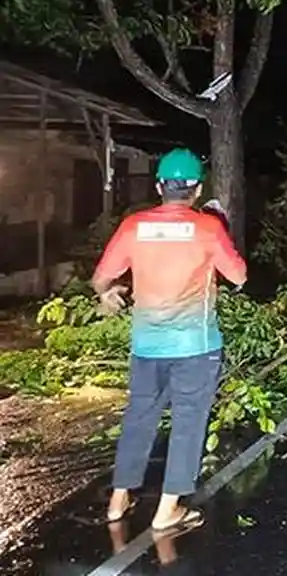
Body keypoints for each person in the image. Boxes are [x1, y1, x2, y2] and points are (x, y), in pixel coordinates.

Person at [93, 148, 247, 534]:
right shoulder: (207, 228)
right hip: (196, 348)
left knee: (139, 418)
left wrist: (106, 295)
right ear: (196, 189)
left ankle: (118, 500)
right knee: (188, 423)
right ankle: (168, 511)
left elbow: (101, 278)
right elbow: (240, 276)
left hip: (146, 347)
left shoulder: (134, 226)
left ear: (160, 186)